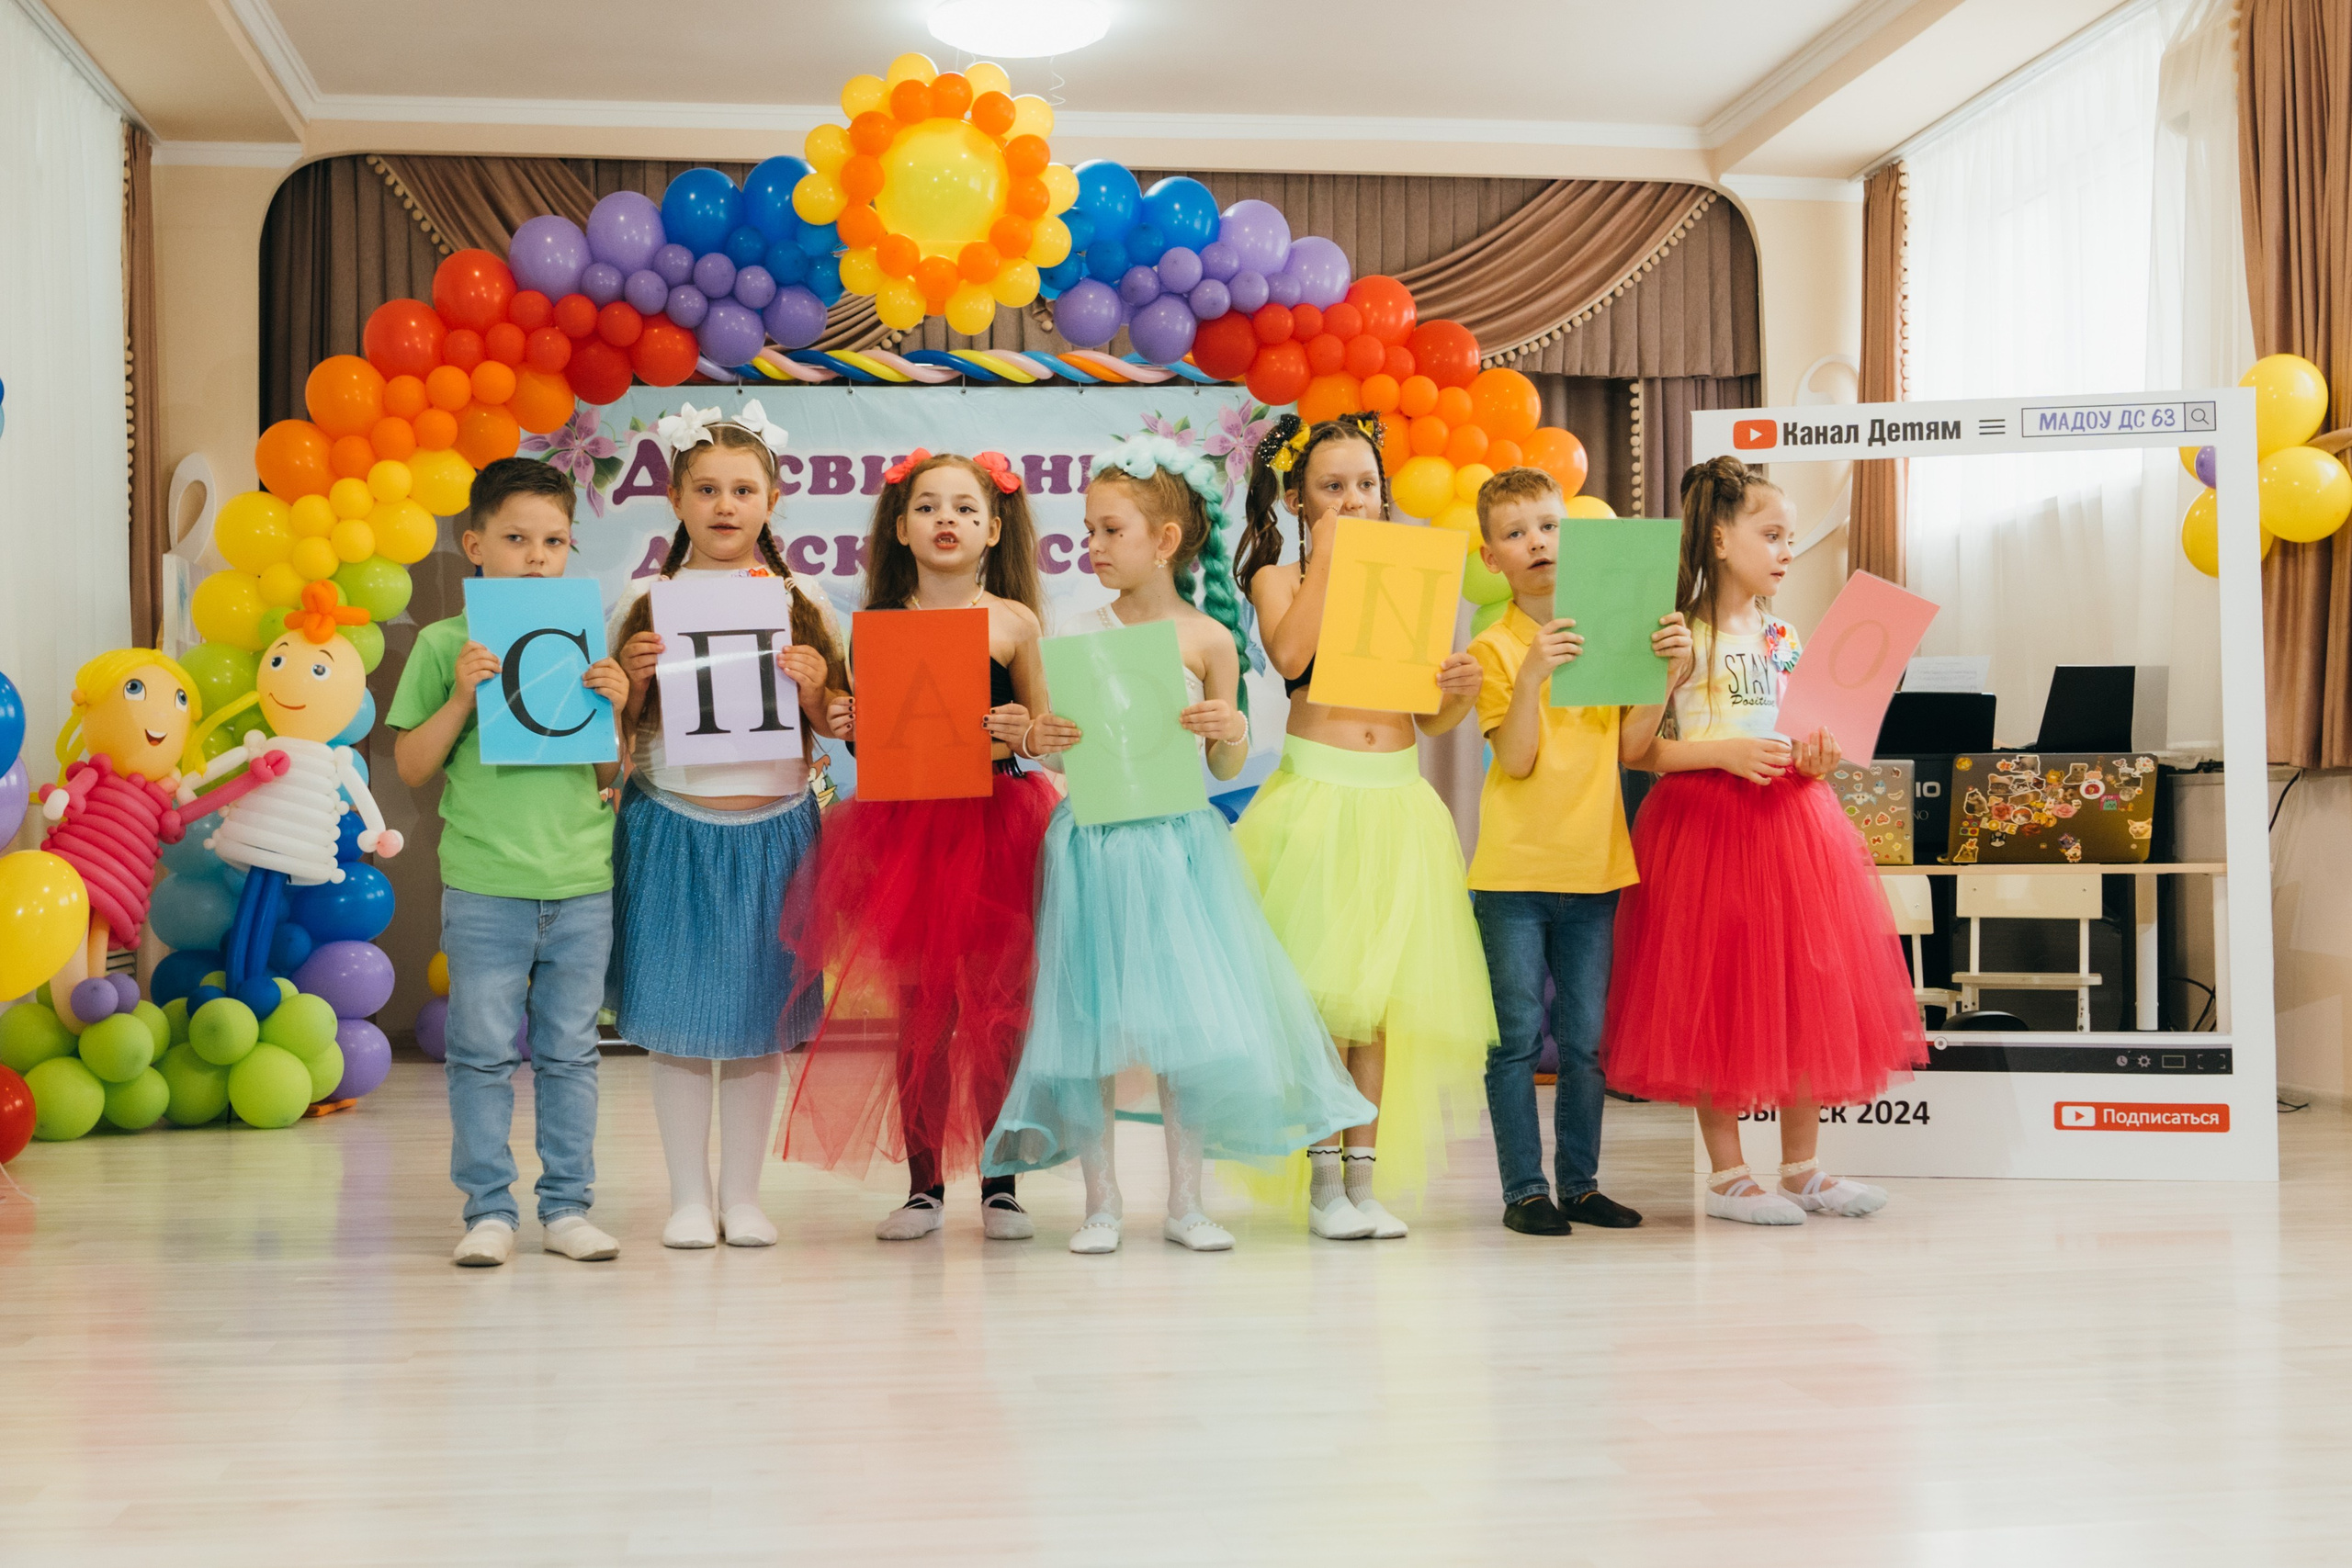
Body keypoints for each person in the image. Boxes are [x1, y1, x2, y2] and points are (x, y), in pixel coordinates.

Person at [980, 437, 1374, 1254]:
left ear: (1164, 540)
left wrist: (1227, 728)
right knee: (1087, 1025)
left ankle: (1187, 1202)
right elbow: (1058, 750)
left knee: (1182, 1030)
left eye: (1110, 530)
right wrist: (1040, 734)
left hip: (1177, 850)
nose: (1092, 546)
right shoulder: (1072, 632)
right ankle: (1100, 1202)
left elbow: (1225, 759)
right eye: (1087, 530)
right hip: (1091, 846)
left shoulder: (1209, 640)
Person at [1607, 456, 1927, 1224]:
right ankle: (1726, 1175)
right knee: (1717, 987)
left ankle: (1803, 1166)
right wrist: (1718, 748)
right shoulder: (1682, 633)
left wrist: (1816, 754)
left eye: (1790, 537)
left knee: (1805, 983)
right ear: (1719, 538)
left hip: (1794, 824)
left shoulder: (1785, 634)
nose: (1787, 550)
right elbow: (1635, 747)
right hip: (1707, 827)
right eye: (1772, 533)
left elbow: (1805, 729)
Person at [777, 450, 1057, 1242]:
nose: (947, 520)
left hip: (997, 820)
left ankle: (1002, 1184)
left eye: (966, 508)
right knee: (923, 1012)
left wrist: (1023, 730)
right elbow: (880, 744)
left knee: (999, 1008)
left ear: (992, 527)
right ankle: (924, 1182)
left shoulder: (1015, 620)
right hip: (910, 830)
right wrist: (848, 724)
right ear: (900, 527)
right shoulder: (879, 625)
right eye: (929, 506)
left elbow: (1045, 731)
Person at [1228, 413, 1497, 1240]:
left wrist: (1457, 684)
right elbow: (1288, 653)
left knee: (1374, 1006)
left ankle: (1363, 1181)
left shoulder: (1409, 579)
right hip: (1318, 798)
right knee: (1319, 999)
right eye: (1332, 487)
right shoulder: (1282, 574)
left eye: (1366, 485)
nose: (1353, 499)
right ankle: (1317, 1180)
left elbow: (1432, 715)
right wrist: (1333, 560)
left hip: (1396, 799)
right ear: (1301, 501)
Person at [607, 402, 848, 1251]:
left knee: (757, 1021)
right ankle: (685, 1195)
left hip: (776, 831)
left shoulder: (800, 596)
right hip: (672, 825)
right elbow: (610, 742)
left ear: (773, 499)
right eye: (706, 488)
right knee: (676, 1019)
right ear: (673, 498)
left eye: (743, 489)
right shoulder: (644, 598)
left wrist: (819, 688)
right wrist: (631, 686)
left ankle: (742, 1196)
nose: (725, 505)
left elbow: (841, 725)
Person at [388, 457, 630, 1267]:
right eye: (516, 538)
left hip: (580, 880)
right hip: (487, 883)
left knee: (571, 1052)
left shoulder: (584, 641)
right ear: (474, 545)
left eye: (554, 540)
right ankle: (487, 1209)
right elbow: (414, 767)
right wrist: (461, 695)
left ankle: (566, 1206)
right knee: (483, 1052)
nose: (536, 556)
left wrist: (616, 709)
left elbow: (610, 778)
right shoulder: (443, 642)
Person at [1464, 468, 1687, 1235]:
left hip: (1595, 869)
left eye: (1550, 526)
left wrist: (1667, 673)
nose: (1538, 542)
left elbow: (1633, 746)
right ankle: (1524, 1190)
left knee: (1587, 1047)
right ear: (1492, 558)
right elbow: (1518, 759)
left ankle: (1581, 1184)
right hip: (1512, 878)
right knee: (1518, 1042)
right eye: (1516, 532)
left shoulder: (1612, 628)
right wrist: (1530, 675)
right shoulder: (1492, 648)